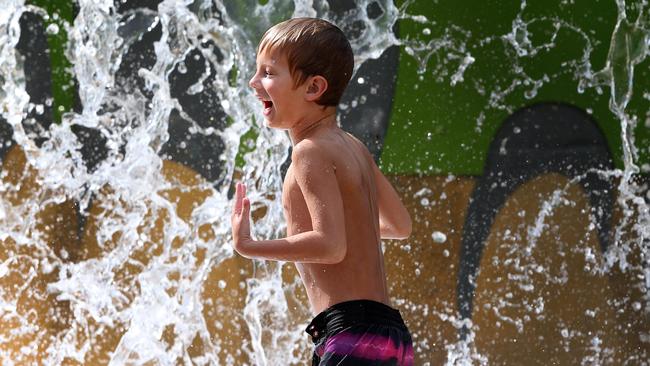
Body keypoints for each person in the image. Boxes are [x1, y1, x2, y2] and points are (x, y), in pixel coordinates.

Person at [231, 17, 414, 366]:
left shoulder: (308, 152)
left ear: (313, 88)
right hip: (390, 337)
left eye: (268, 73)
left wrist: (250, 245)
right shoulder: (353, 146)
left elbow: (330, 246)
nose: (255, 82)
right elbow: (400, 225)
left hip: (350, 336)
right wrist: (351, 228)